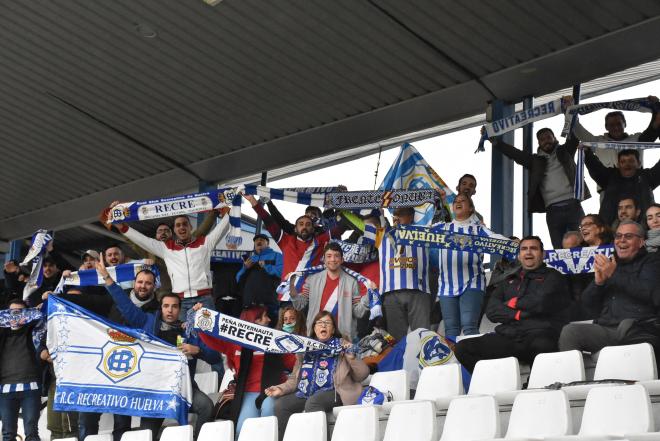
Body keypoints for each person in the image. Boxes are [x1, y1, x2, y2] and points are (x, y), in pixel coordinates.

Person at [96, 256, 220, 439]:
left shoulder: (189, 331)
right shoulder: (146, 321)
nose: (170, 310)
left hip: (183, 389)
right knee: (147, 433)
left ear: (180, 310)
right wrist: (107, 278)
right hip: (155, 391)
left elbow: (216, 357)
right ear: (160, 308)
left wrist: (198, 350)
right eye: (166, 306)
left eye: (174, 307)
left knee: (207, 407)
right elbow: (125, 305)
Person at [453, 236, 571, 373]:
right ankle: (492, 384)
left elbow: (541, 302)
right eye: (524, 249)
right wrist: (517, 314)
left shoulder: (554, 276)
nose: (528, 252)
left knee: (543, 346)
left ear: (543, 254)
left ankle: (536, 387)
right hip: (509, 336)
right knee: (463, 348)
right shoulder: (509, 279)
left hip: (540, 334)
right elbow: (491, 310)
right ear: (519, 255)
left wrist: (513, 302)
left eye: (533, 248)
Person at [559, 221, 660, 353]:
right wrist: (598, 284)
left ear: (641, 242)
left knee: (628, 328)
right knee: (570, 332)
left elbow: (650, 292)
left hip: (639, 327)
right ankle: (570, 375)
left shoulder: (652, 261)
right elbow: (587, 305)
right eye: (618, 236)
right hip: (607, 329)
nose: (621, 240)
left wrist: (613, 273)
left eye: (628, 236)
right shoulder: (610, 264)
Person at [267, 311, 369, 440]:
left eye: (327, 323)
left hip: (335, 392)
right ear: (314, 328)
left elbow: (363, 374)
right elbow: (294, 379)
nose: (323, 326)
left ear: (332, 330)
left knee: (313, 402)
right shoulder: (305, 348)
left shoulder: (343, 345)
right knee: (281, 405)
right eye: (319, 323)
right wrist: (281, 388)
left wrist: (351, 356)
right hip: (306, 392)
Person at [112, 212, 230, 319]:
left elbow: (223, 226)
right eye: (178, 225)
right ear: (174, 230)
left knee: (208, 336)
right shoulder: (166, 248)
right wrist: (122, 227)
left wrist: (232, 207)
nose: (182, 227)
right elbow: (142, 240)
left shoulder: (205, 243)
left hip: (205, 298)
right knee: (182, 338)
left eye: (185, 224)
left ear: (191, 227)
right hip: (180, 301)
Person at [198, 305, 293, 436]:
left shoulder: (276, 341)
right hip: (248, 393)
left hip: (273, 391)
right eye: (264, 316)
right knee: (242, 431)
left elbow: (293, 363)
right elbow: (211, 340)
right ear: (253, 321)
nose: (269, 320)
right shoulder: (235, 343)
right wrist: (201, 316)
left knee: (267, 414)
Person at [486, 126, 588, 248]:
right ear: (538, 143)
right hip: (552, 211)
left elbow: (574, 137)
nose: (546, 141)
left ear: (554, 138)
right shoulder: (535, 160)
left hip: (574, 205)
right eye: (542, 139)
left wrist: (570, 112)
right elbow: (515, 154)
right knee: (559, 249)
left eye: (549, 137)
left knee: (584, 242)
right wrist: (495, 141)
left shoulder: (565, 151)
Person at [433, 195, 508, 339]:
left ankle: (470, 361)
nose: (458, 203)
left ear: (471, 208)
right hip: (446, 286)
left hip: (472, 283)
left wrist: (517, 246)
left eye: (463, 201)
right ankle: (454, 361)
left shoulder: (479, 230)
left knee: (469, 326)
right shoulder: (442, 228)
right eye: (455, 202)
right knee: (451, 330)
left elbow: (497, 240)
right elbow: (418, 233)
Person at [243, 194, 341, 295]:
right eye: (301, 223)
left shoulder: (323, 238)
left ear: (314, 226)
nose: (305, 226)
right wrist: (256, 201)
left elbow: (341, 226)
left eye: (309, 223)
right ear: (295, 228)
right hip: (287, 296)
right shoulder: (286, 240)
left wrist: (344, 199)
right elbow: (270, 220)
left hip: (312, 295)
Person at [362, 206, 432, 341]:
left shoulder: (423, 232)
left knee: (424, 337)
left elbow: (439, 222)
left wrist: (439, 202)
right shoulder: (382, 234)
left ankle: (425, 361)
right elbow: (367, 222)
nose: (397, 218)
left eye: (402, 214)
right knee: (396, 339)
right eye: (395, 215)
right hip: (391, 293)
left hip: (418, 290)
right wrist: (376, 209)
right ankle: (398, 362)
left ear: (412, 217)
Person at [290, 242, 369, 341]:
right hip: (316, 336)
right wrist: (292, 288)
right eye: (329, 256)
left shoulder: (352, 282)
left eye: (336, 256)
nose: (333, 259)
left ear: (342, 259)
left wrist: (369, 295)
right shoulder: (312, 279)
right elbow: (299, 305)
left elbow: (358, 313)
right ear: (324, 259)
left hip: (343, 338)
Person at [0, 299, 43, 441]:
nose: (16, 317)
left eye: (20, 313)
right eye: (12, 313)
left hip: (31, 387)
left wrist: (40, 308)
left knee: (31, 432)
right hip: (5, 389)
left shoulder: (34, 331)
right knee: (7, 433)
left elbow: (41, 319)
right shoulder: (2, 334)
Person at [583, 148, 660, 226]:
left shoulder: (647, 176)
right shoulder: (609, 177)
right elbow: (595, 168)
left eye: (631, 161)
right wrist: (587, 153)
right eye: (623, 162)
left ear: (639, 163)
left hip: (644, 227)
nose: (627, 164)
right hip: (611, 229)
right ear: (618, 165)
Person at [572, 102, 660, 169]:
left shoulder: (636, 139)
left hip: (636, 187)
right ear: (606, 127)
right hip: (608, 189)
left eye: (619, 124)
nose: (616, 128)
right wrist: (570, 110)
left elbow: (653, 130)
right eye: (611, 125)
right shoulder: (597, 142)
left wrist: (656, 105)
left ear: (625, 124)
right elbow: (578, 130)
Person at [235, 233, 283, 319]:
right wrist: (245, 268)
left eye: (262, 240)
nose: (259, 241)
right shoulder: (250, 259)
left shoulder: (277, 255)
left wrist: (266, 266)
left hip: (269, 305)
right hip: (249, 305)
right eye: (256, 240)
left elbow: (281, 273)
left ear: (268, 243)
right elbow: (238, 278)